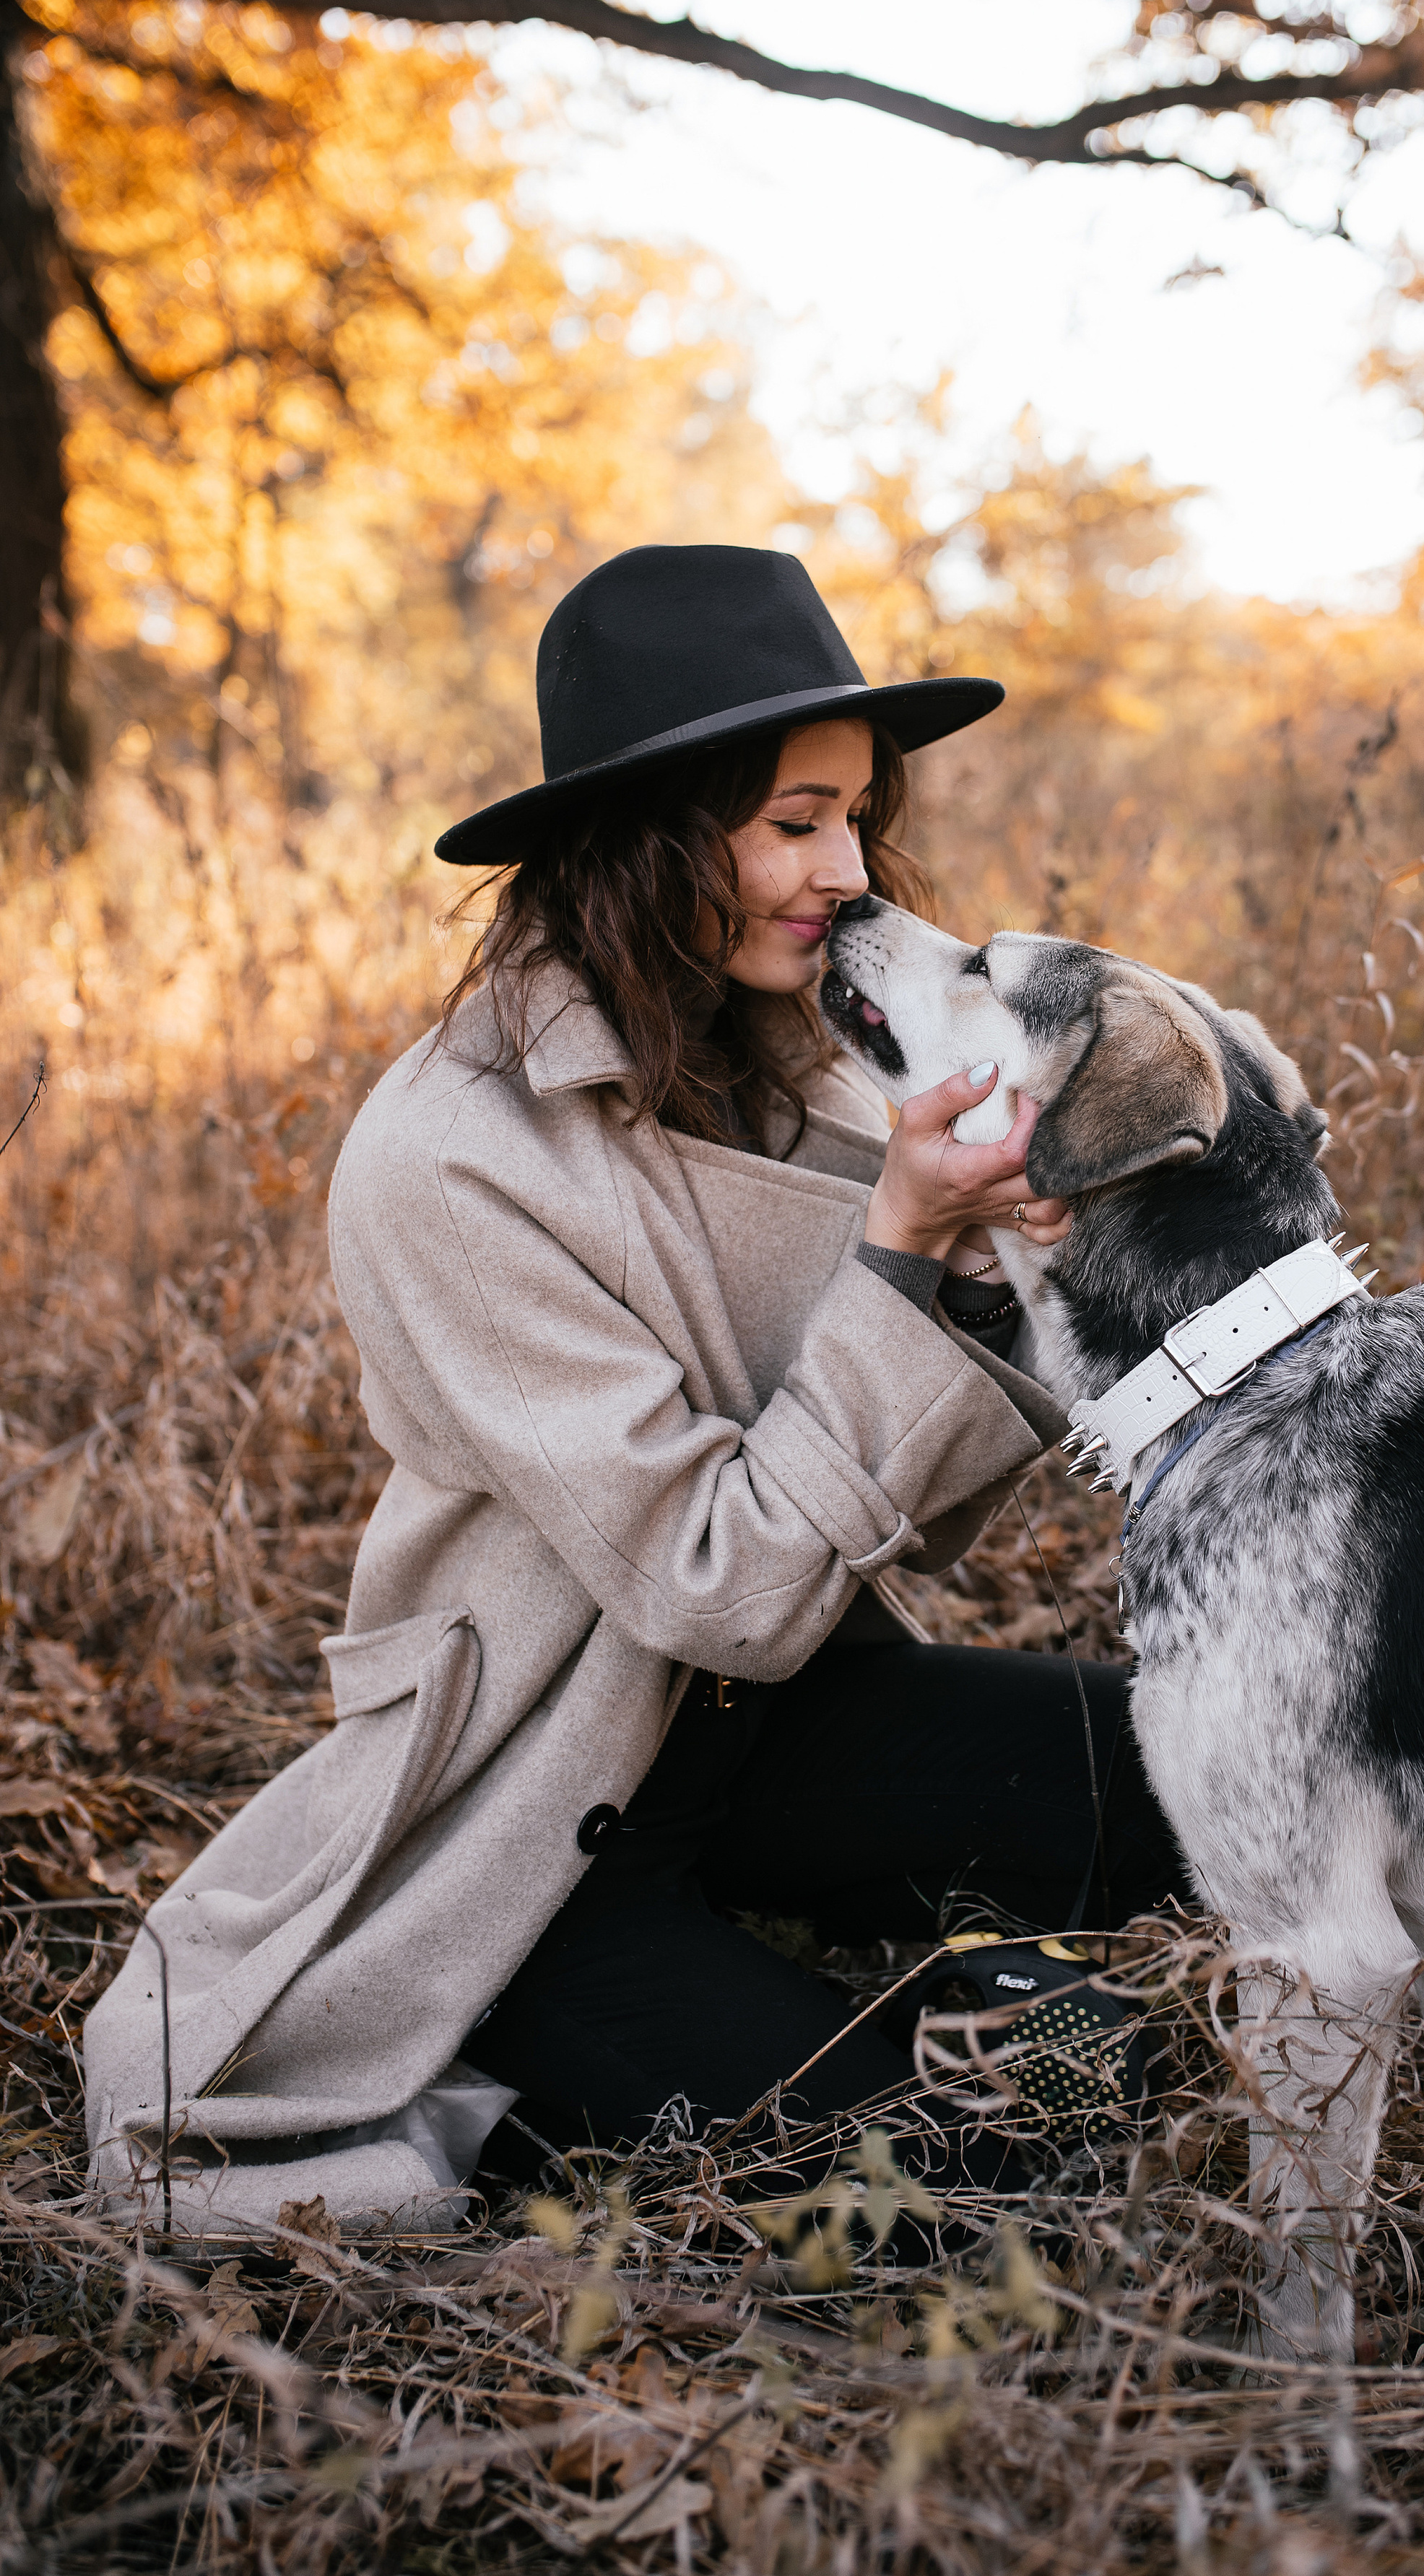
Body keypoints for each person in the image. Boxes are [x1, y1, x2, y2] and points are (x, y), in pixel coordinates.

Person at [84, 544, 1185, 2236]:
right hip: (546, 1827)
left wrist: (1001, 1257)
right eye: (792, 822)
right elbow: (723, 1583)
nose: (846, 872)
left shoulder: (799, 1058)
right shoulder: (450, 1161)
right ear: (654, 832)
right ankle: (513, 2094)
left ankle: (940, 1983)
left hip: (777, 1726)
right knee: (972, 2192)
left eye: (852, 817)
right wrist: (900, 1246)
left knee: (1202, 1780)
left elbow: (919, 1520)